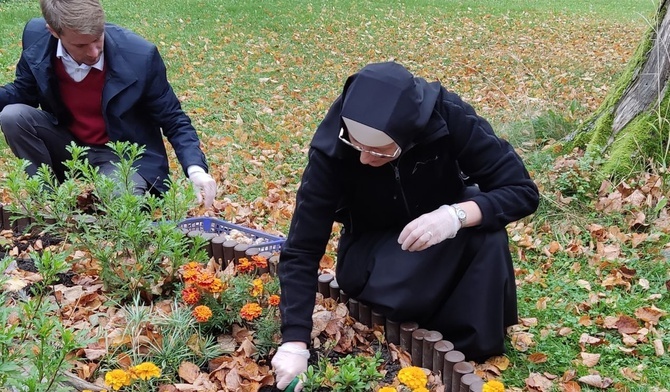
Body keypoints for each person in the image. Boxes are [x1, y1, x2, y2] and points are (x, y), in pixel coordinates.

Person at [271, 62, 539, 389]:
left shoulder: (448, 115)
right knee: (413, 277)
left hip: (443, 227)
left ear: (410, 138)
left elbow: (521, 191)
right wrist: (294, 342)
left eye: (380, 152)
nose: (365, 160)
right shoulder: (332, 149)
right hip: (374, 248)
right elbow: (302, 248)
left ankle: (471, 344)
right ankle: (432, 327)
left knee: (488, 230)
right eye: (358, 145)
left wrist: (455, 216)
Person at [0, 0, 216, 206]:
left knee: (122, 203)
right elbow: (23, 92)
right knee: (12, 116)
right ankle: (48, 206)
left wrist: (196, 169)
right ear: (54, 32)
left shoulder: (139, 55)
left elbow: (173, 119)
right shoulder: (36, 39)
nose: (94, 52)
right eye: (81, 45)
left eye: (97, 39)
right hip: (69, 146)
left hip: (120, 155)